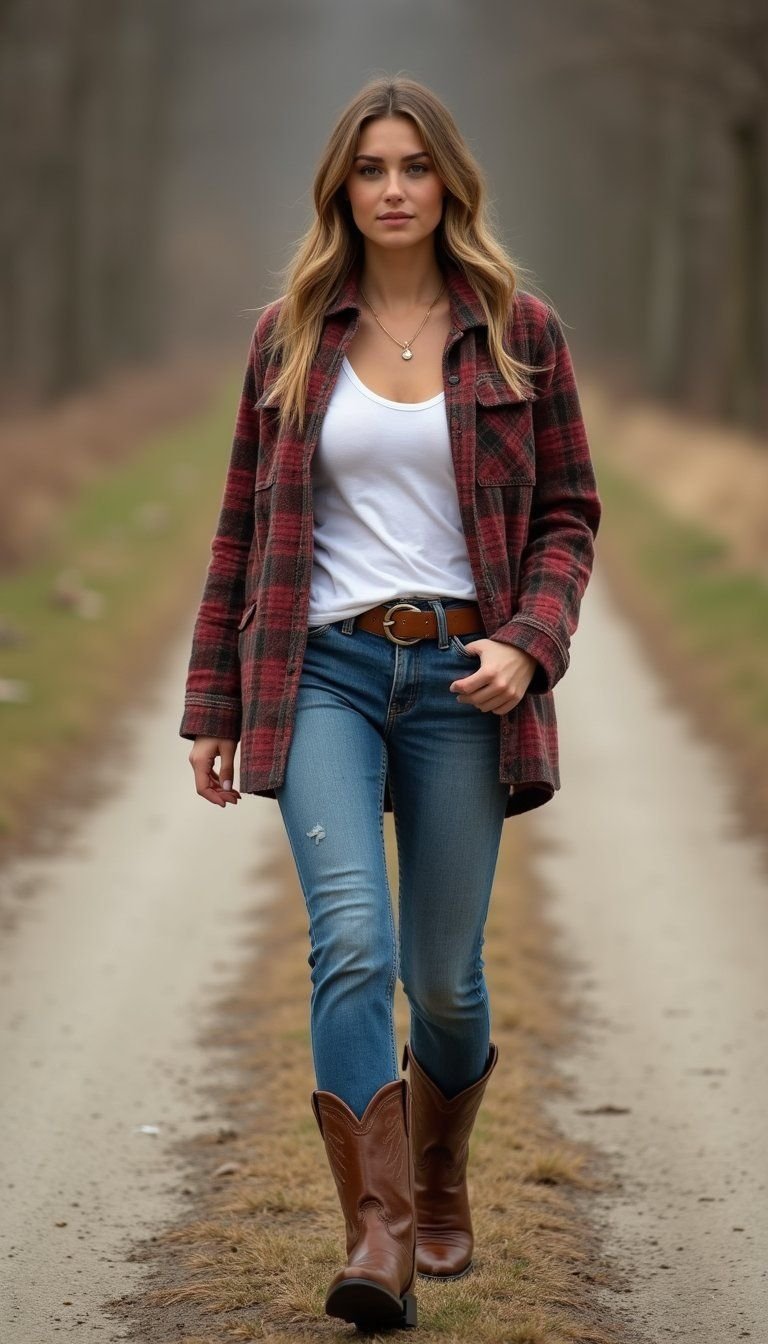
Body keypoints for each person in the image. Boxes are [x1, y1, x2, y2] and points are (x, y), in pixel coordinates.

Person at [179, 76, 601, 1331]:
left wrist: (529, 643)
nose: (395, 188)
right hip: (323, 672)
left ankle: (434, 1164)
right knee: (350, 941)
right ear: (342, 190)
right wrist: (212, 701)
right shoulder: (290, 333)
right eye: (371, 169)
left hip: (467, 682)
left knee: (448, 983)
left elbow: (570, 516)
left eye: (415, 166)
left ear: (450, 183)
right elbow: (242, 529)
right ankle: (378, 1235)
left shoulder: (521, 331)